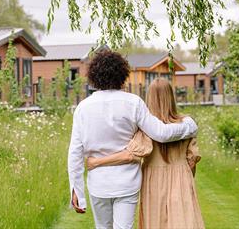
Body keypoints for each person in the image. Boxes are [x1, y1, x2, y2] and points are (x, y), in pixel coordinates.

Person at [68, 51, 198, 229]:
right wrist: (189, 126)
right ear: (122, 74)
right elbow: (161, 133)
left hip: (99, 182)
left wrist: (76, 190)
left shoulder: (83, 108)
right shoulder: (133, 103)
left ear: (94, 77)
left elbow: (75, 152)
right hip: (127, 181)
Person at [87, 78, 205, 229]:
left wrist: (96, 162)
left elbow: (129, 155)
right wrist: (186, 179)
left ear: (149, 98)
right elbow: (192, 161)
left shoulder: (145, 129)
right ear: (171, 96)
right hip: (181, 178)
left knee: (155, 222)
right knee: (183, 221)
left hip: (153, 181)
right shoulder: (185, 124)